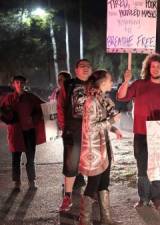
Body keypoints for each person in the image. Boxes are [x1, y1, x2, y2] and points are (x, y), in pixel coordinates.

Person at [117, 53, 160, 209]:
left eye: (158, 67)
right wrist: (126, 81)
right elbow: (121, 96)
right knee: (142, 166)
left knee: (158, 166)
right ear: (148, 67)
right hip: (141, 133)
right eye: (152, 66)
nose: (155, 69)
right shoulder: (139, 84)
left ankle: (156, 197)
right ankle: (143, 198)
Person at [78, 69, 122, 225]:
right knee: (93, 184)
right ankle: (84, 220)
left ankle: (106, 218)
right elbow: (90, 128)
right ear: (103, 82)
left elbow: (101, 122)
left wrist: (114, 129)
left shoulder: (101, 99)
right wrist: (111, 122)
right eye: (110, 80)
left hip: (104, 146)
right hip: (94, 150)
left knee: (104, 183)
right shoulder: (91, 102)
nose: (112, 82)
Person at [58, 59, 92, 212]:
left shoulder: (95, 84)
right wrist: (63, 128)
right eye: (82, 66)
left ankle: (93, 194)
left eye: (88, 66)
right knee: (71, 165)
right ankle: (67, 196)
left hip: (92, 131)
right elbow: (60, 106)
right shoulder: (68, 85)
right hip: (73, 130)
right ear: (76, 69)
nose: (85, 69)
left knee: (94, 163)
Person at [0, 75, 45, 190]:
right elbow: (2, 113)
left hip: (29, 131)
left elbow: (43, 108)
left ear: (25, 84)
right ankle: (17, 182)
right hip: (15, 133)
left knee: (30, 158)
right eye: (17, 82)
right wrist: (7, 116)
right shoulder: (8, 98)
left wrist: (33, 119)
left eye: (21, 82)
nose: (19, 84)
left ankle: (32, 181)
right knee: (16, 159)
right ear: (13, 84)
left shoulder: (31, 97)